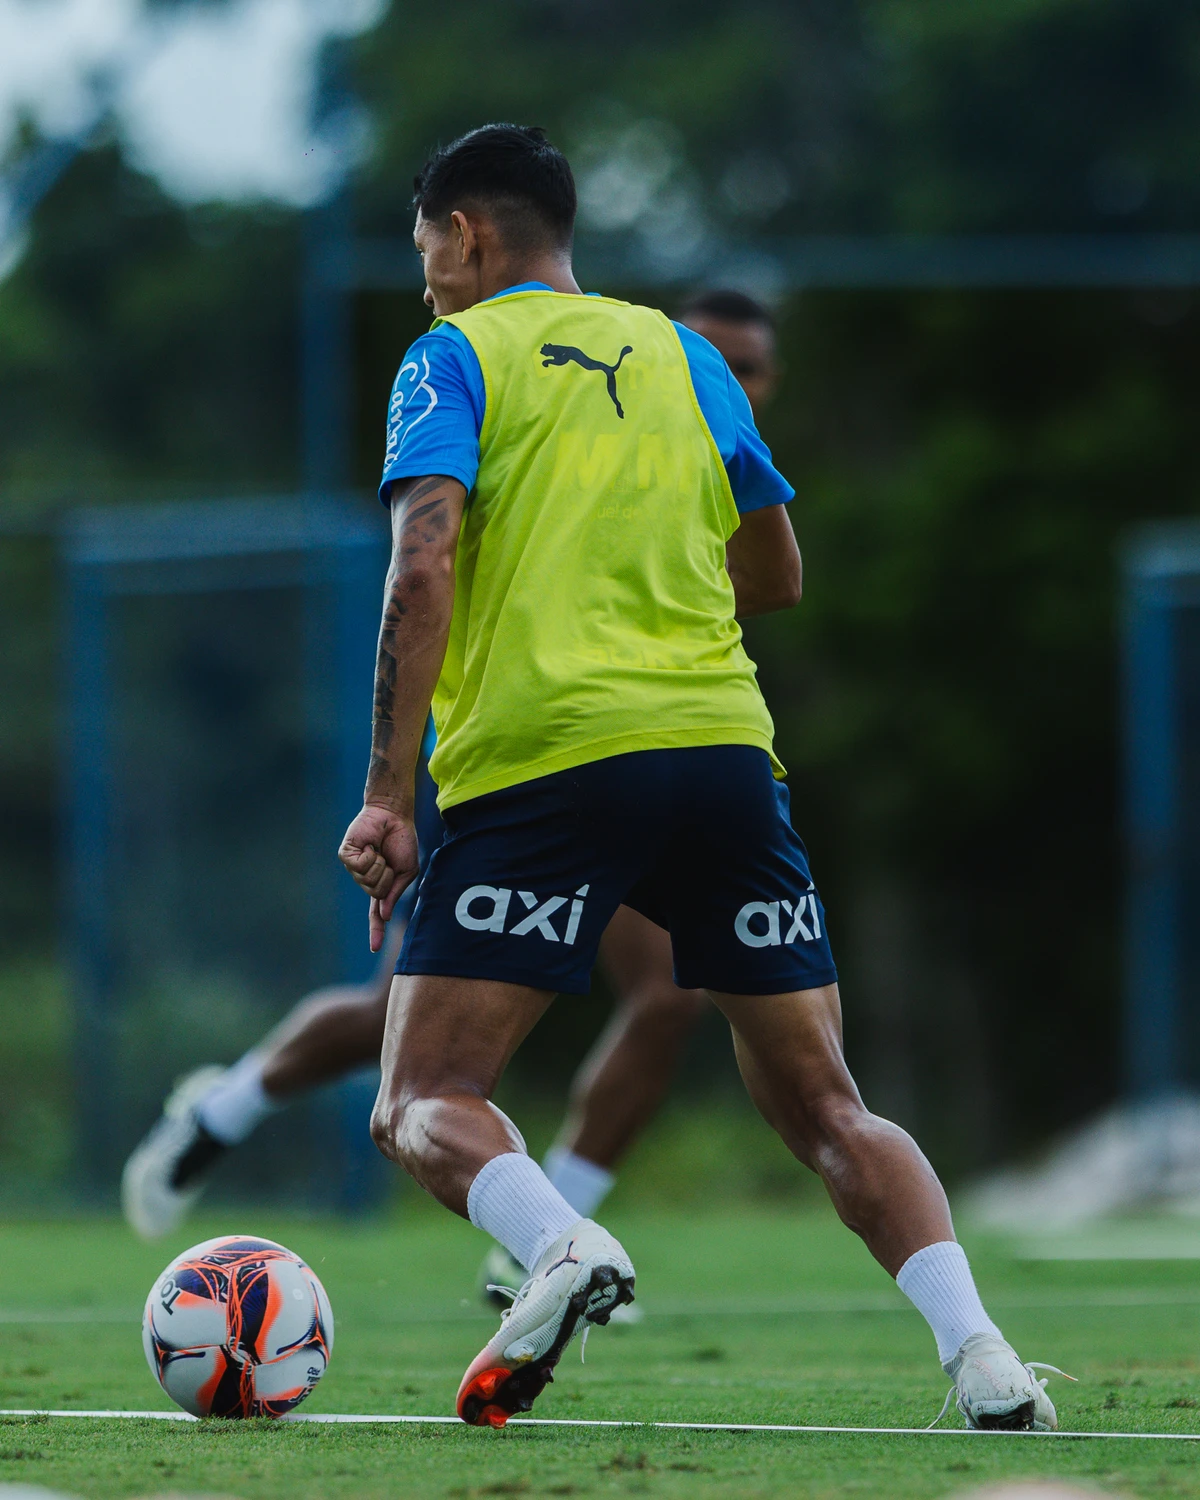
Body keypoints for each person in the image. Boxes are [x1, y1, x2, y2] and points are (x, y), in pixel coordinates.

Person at [335, 123, 1063, 1431]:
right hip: (725, 755)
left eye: (424, 249)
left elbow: (424, 563)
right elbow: (778, 572)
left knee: (422, 1097)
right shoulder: (684, 352)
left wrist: (388, 793)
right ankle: (985, 1359)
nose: (425, 275)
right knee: (828, 1102)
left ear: (469, 236)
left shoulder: (450, 356)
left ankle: (562, 1245)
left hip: (547, 760)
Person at [120, 297, 784, 1294]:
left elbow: (771, 575)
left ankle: (544, 1241)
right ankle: (223, 1111)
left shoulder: (703, 448)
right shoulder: (568, 411)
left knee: (671, 994)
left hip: (645, 754)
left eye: (755, 366)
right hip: (511, 758)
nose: (739, 375)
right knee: (392, 1019)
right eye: (723, 356)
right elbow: (435, 559)